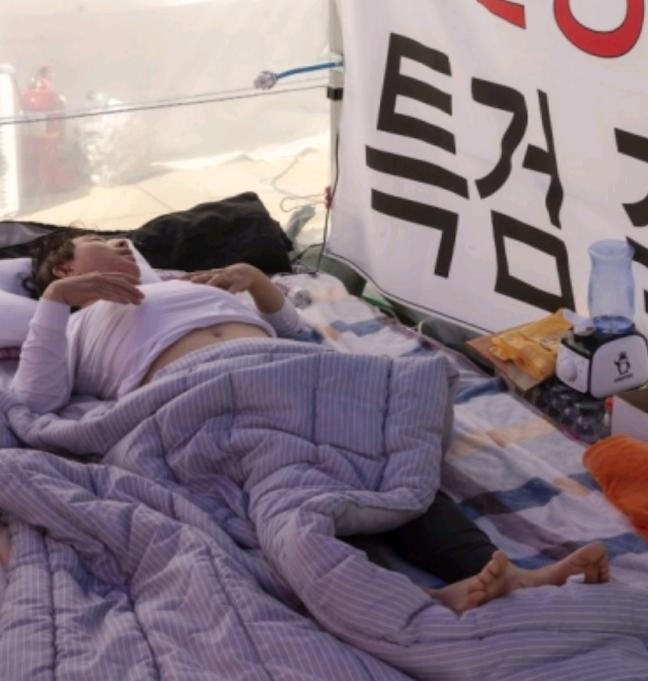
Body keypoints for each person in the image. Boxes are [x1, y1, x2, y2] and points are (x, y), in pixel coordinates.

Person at [12, 231, 610, 613]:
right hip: (203, 396)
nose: (123, 245)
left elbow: (300, 335)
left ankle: (499, 574)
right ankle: (408, 599)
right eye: (100, 241)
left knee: (386, 462)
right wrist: (57, 305)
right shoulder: (70, 324)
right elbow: (37, 399)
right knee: (299, 491)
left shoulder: (183, 283)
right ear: (63, 267)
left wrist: (254, 281)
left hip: (295, 373)